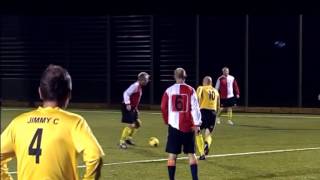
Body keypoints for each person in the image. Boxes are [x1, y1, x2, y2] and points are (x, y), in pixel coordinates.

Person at [0, 65, 105, 180]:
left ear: (40, 92)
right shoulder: (74, 122)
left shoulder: (18, 123)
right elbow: (95, 156)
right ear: (68, 94)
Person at [161, 68, 202, 180]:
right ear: (185, 76)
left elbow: (163, 107)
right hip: (188, 127)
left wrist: (166, 120)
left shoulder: (169, 90)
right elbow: (195, 108)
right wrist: (197, 124)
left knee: (172, 155)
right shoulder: (190, 90)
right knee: (191, 154)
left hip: (174, 126)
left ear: (175, 76)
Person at [119, 72, 150, 149]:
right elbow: (126, 93)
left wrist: (135, 108)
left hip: (132, 107)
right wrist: (127, 104)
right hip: (127, 107)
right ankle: (122, 142)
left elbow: (135, 98)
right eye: (146, 79)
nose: (147, 80)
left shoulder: (139, 86)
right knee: (131, 125)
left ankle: (128, 139)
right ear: (142, 80)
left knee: (137, 124)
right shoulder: (135, 86)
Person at [195, 76, 220, 160]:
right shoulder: (216, 91)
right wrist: (216, 114)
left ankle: (202, 154)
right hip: (213, 113)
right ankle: (207, 144)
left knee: (197, 131)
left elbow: (197, 97)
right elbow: (218, 105)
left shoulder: (201, 88)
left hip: (203, 112)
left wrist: (196, 108)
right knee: (208, 133)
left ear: (203, 82)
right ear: (211, 83)